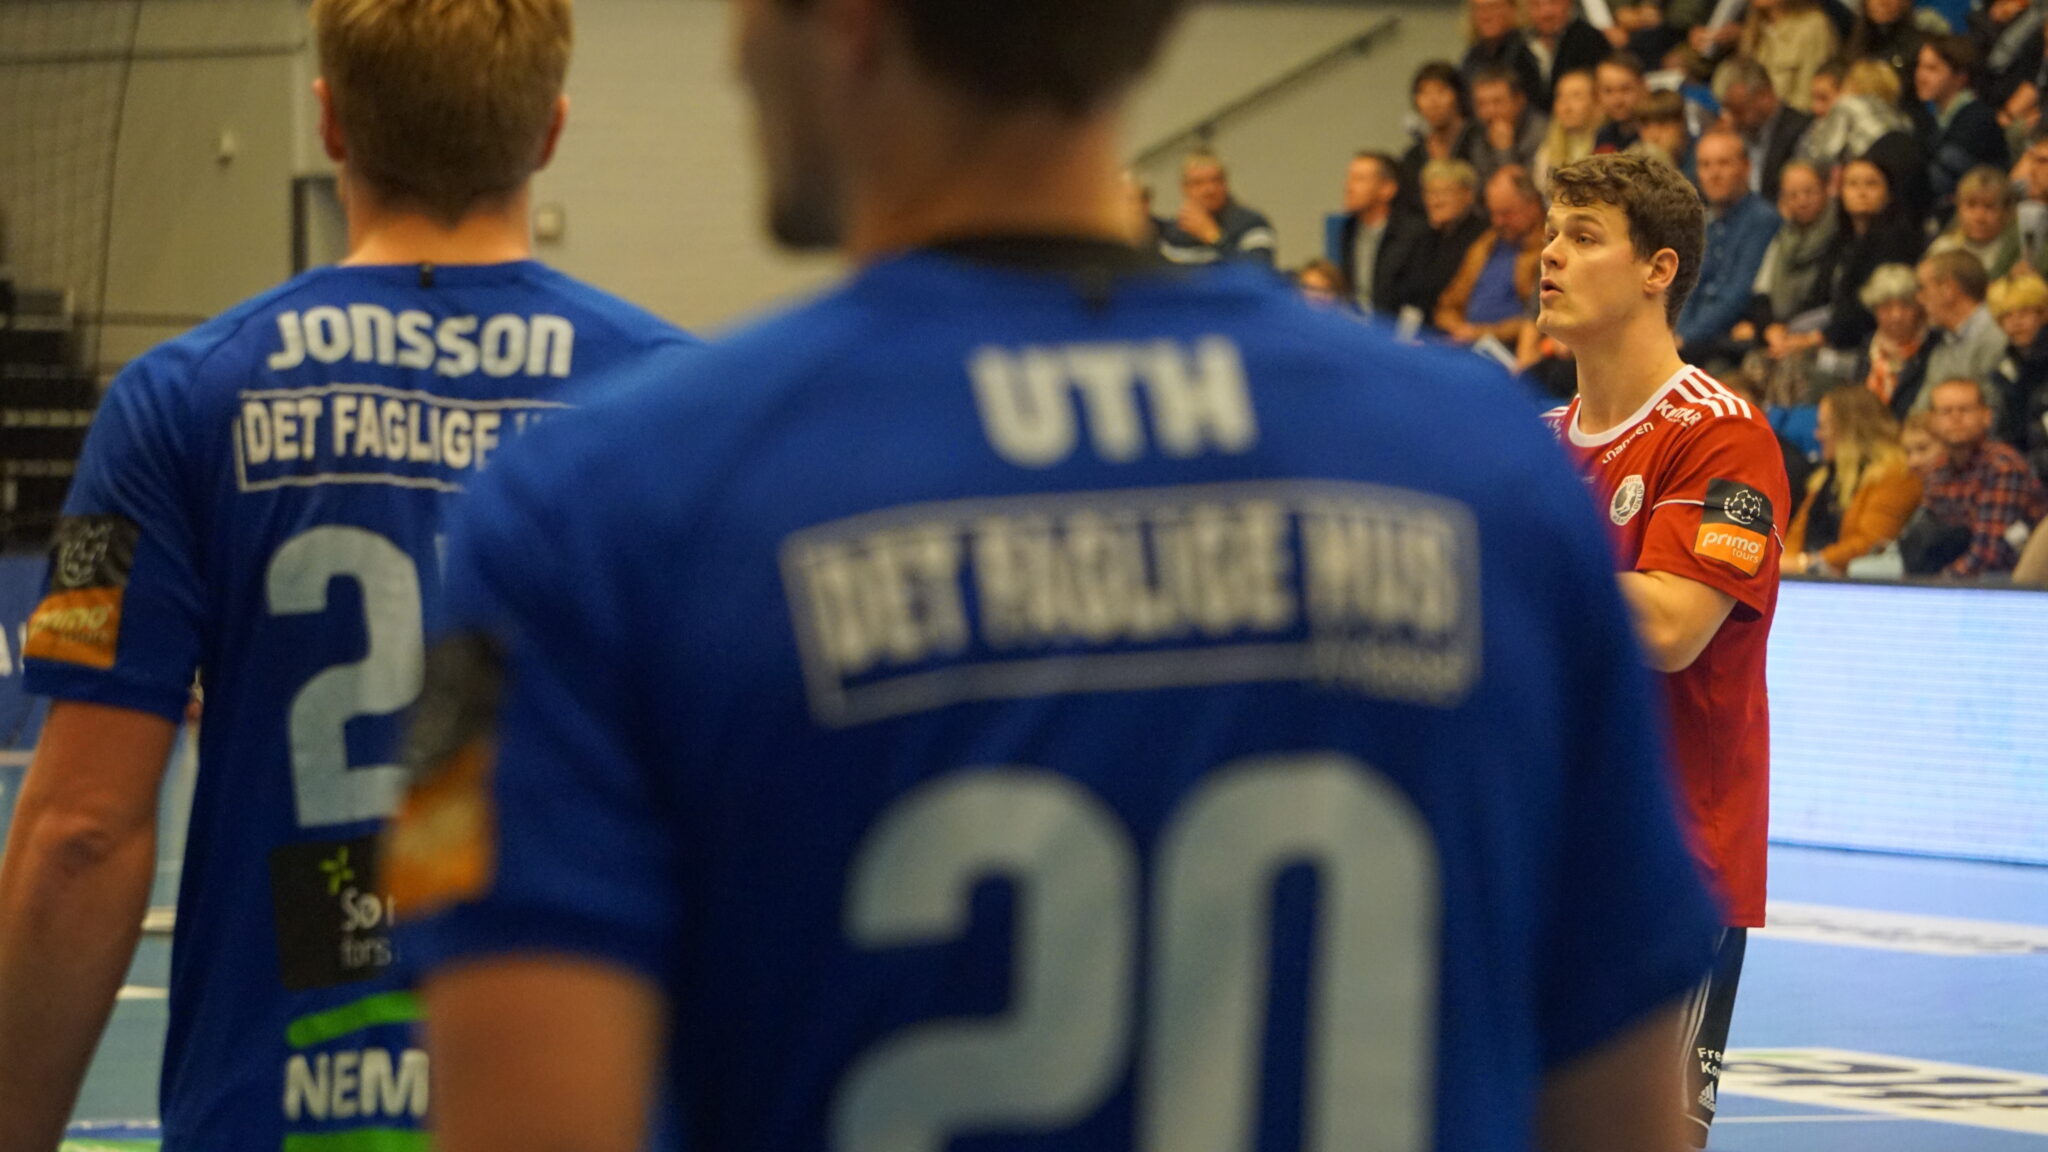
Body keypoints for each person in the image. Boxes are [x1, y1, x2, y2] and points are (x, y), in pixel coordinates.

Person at [386, 0, 1726, 1150]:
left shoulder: (595, 509)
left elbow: (525, 1115)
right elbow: (1618, 1113)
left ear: (849, 24)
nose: (736, 52)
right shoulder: (1493, 484)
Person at [0, 2, 697, 1149]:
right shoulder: (684, 408)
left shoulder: (170, 406)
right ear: (549, 130)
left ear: (331, 122)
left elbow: (80, 830)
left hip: (274, 1113)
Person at [1536, 151, 1791, 1148]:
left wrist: (1500, 555)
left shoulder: (1723, 435)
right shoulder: (1534, 440)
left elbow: (1674, 626)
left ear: (1657, 268)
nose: (1550, 256)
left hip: (1669, 870)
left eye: (1582, 236)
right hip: (1541, 854)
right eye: (1549, 235)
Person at [1786, 384, 1925, 573]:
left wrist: (1806, 563)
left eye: (1823, 427)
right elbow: (1795, 537)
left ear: (1849, 430)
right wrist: (1786, 563)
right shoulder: (1824, 478)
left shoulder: (1896, 477)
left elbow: (1872, 544)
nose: (1817, 435)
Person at [1922, 376, 2048, 574]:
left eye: (1965, 409)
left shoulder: (2003, 467)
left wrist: (1934, 584)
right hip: (1956, 573)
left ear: (1986, 416)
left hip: (2012, 579)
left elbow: (1989, 554)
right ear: (1932, 421)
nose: (1956, 417)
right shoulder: (1937, 470)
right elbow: (1925, 538)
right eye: (1946, 411)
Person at [1679, 130, 1783, 356]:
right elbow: (1689, 287)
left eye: (1723, 163)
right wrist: (1675, 333)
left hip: (1728, 343)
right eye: (1705, 165)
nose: (1714, 174)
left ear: (1746, 167)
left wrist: (1685, 338)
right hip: (1694, 338)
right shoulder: (1705, 221)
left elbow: (1738, 294)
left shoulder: (1762, 219)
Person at [1437, 164, 1548, 344]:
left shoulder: (1547, 251)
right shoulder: (1485, 244)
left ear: (1533, 206)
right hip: (1464, 342)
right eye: (1493, 213)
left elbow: (1541, 317)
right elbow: (1449, 303)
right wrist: (1457, 327)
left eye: (1506, 213)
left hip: (1509, 348)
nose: (1497, 222)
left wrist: (1482, 333)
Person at [1915, 35, 2011, 214]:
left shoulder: (1978, 119)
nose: (1921, 76)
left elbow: (1939, 182)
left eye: (1932, 69)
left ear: (1960, 77)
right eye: (1920, 66)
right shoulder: (1932, 121)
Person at [1323, 151, 1424, 314]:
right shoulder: (1349, 229)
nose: (1348, 186)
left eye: (1359, 179)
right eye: (1349, 178)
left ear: (1387, 189)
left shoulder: (1413, 235)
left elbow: (1416, 299)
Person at [1399, 157, 1493, 330]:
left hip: (1462, 331)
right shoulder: (1424, 237)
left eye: (1444, 192)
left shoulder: (1484, 238)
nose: (1435, 201)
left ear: (1468, 195)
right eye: (1429, 193)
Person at [1917, 248, 2008, 413]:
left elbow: (1996, 412)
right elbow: (1921, 412)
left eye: (1923, 288)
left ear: (1948, 289)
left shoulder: (1998, 338)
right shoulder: (1941, 346)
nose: (1919, 299)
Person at [1714, 55, 1814, 200]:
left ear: (1764, 96)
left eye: (1738, 111)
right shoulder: (1734, 135)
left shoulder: (1801, 131)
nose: (1730, 119)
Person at [1157, 150, 1278, 267]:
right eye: (1198, 183)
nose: (1209, 190)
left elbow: (1259, 273)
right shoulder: (1172, 237)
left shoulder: (1252, 224)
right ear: (1184, 188)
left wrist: (1213, 237)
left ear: (1225, 183)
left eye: (1216, 180)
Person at [1398, 61, 1484, 213]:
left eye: (1441, 91)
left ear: (1457, 94)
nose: (1433, 102)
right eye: (1424, 93)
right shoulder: (1413, 158)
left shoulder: (1480, 136)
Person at [1854, 262, 1938, 414]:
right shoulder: (1869, 344)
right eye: (1887, 307)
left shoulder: (1933, 346)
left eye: (1905, 306)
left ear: (1918, 307)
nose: (1896, 315)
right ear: (1874, 309)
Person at [1929, 165, 2025, 278]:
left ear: (2007, 212)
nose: (1979, 217)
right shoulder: (1944, 249)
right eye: (1971, 205)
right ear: (1958, 207)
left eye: (1989, 207)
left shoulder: (2016, 252)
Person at [1987, 271, 2048, 445]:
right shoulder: (2002, 368)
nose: (2016, 322)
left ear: (2043, 315)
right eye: (2007, 315)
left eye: (2024, 312)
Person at [1526, 0, 1612, 107]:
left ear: (1568, 3)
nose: (1546, 13)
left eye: (1553, 3)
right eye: (1536, 5)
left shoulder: (1590, 40)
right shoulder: (1520, 46)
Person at [1472, 66, 1551, 180]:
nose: (1489, 111)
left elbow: (1526, 187)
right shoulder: (1479, 131)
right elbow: (1481, 183)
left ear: (1519, 100)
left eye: (1497, 101)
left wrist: (1505, 150)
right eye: (1482, 104)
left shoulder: (1540, 132)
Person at [1462, 0, 1545, 107]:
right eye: (1479, 9)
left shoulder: (1530, 52)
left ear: (1513, 10)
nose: (1486, 16)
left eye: (1494, 7)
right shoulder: (1471, 57)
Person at [1535, 68, 1604, 188]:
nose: (1566, 107)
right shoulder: (1547, 151)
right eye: (1560, 96)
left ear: (1596, 101)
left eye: (1576, 96)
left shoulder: (1606, 145)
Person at [1596, 52, 1650, 153]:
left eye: (1625, 89)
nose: (1617, 101)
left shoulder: (1656, 134)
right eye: (1608, 91)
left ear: (1644, 88)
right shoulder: (1604, 136)